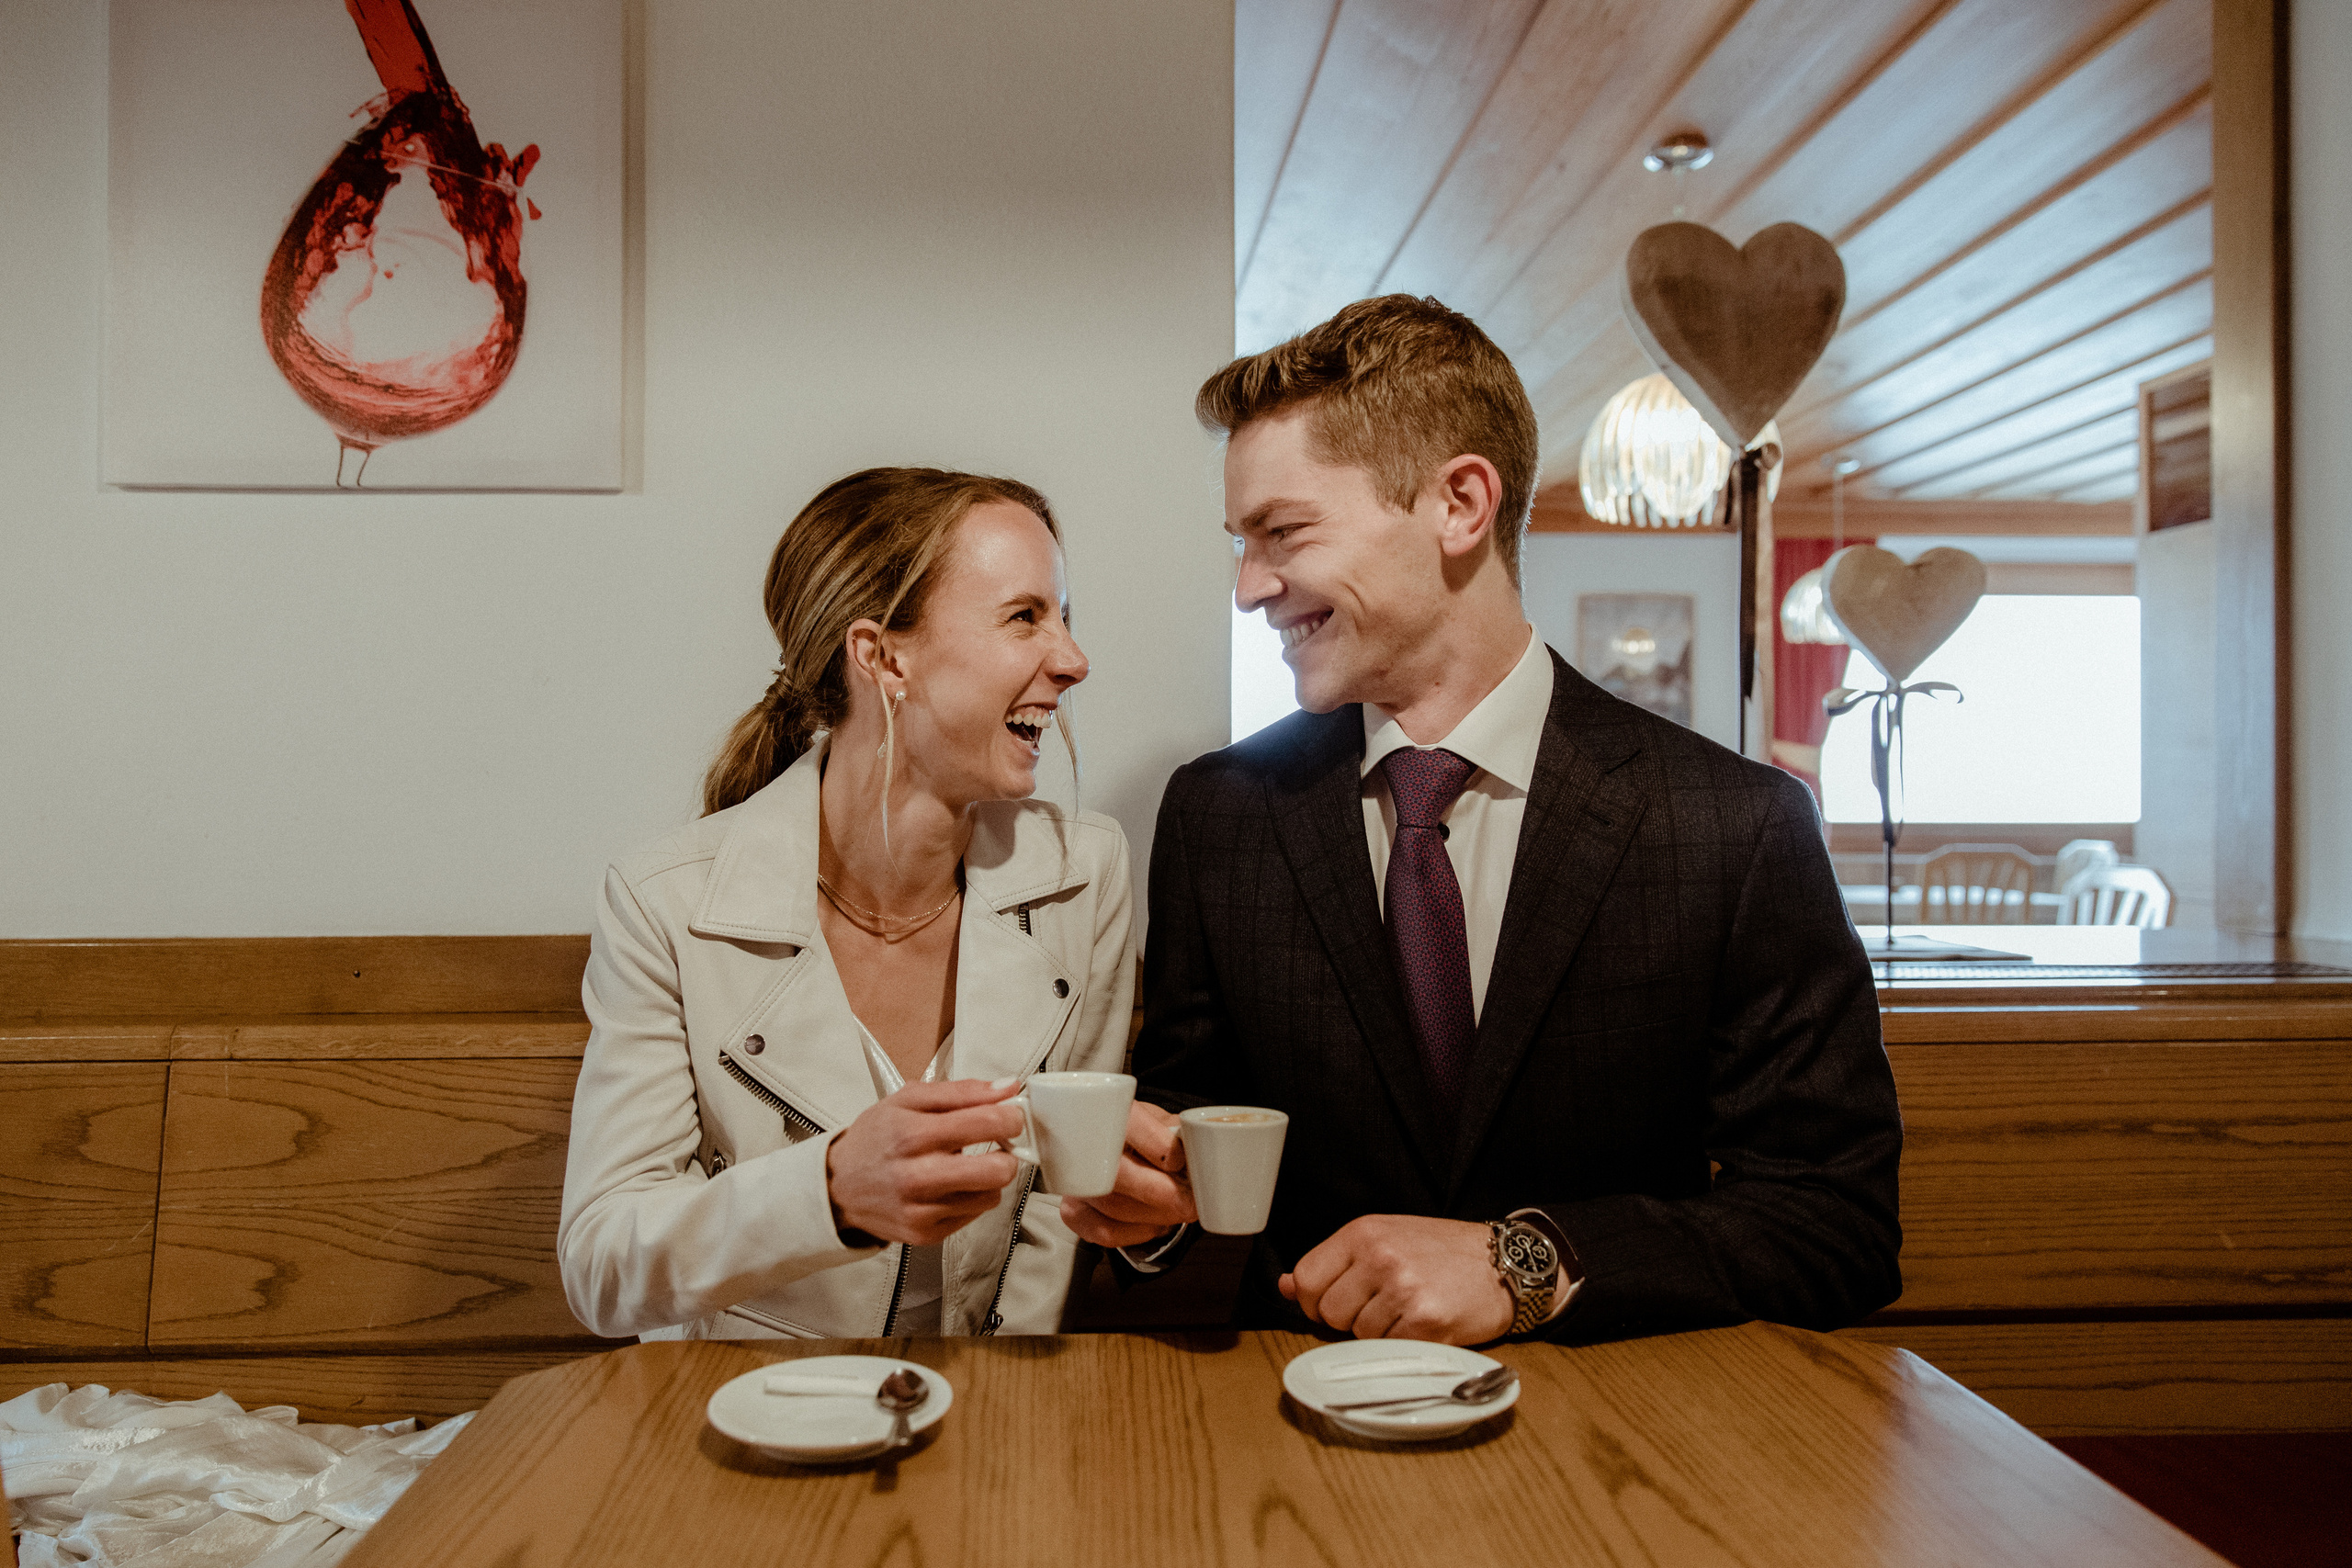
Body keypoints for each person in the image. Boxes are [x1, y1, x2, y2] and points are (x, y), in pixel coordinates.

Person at [1061, 296, 1902, 1346]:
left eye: (1282, 532)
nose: (1248, 588)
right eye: (1241, 542)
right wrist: (1147, 1220)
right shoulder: (1219, 816)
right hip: (1305, 1446)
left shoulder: (1734, 825)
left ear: (1460, 503)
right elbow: (1191, 1176)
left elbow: (1836, 1225)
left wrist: (1526, 1263)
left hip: (1627, 1456)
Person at [560, 468, 1135, 1340]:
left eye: (1064, 616)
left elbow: (1055, 1211)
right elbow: (603, 1265)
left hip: (998, 1424)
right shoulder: (664, 904)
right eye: (1025, 616)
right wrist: (827, 1189)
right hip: (745, 1421)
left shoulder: (1084, 874)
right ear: (881, 656)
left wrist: (1007, 1417)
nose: (1072, 659)